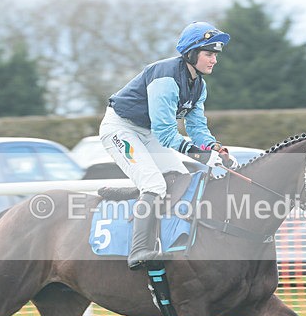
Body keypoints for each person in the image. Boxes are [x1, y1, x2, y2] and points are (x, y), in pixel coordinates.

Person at [99, 21, 239, 270]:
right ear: (192, 53)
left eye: (216, 54)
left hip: (148, 132)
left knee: (182, 180)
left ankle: (136, 197)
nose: (214, 60)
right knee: (154, 183)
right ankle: (139, 249)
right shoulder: (165, 77)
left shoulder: (199, 86)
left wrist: (214, 149)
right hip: (121, 130)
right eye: (209, 54)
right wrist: (201, 156)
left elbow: (197, 129)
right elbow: (166, 133)